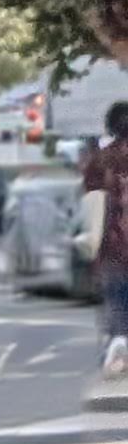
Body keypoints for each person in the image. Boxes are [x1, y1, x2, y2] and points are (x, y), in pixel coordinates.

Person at [78, 101, 128, 374]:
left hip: (112, 245)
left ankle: (118, 346)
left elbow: (89, 197)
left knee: (116, 301)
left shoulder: (101, 159)